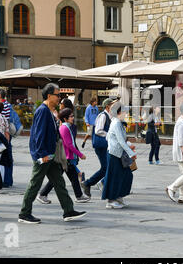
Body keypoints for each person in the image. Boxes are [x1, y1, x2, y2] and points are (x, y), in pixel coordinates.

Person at [18, 83, 86, 224]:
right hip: (44, 155)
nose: (59, 98)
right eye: (57, 95)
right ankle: (24, 213)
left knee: (59, 183)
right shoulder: (43, 111)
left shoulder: (49, 111)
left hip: (51, 155)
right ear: (49, 96)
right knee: (35, 183)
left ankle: (68, 211)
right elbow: (38, 135)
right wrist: (41, 155)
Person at [37, 108, 90, 204]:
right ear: (65, 119)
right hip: (66, 157)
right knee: (68, 177)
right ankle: (78, 196)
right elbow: (69, 144)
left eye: (73, 116)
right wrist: (80, 154)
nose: (73, 118)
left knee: (63, 177)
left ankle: (43, 194)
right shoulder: (65, 128)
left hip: (66, 157)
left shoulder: (66, 127)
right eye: (71, 116)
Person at [102, 101, 137, 209]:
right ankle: (111, 200)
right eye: (125, 112)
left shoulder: (117, 122)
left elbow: (110, 137)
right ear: (119, 112)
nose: (126, 114)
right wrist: (131, 154)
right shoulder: (116, 123)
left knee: (126, 175)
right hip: (114, 154)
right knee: (114, 177)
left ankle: (118, 196)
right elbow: (121, 141)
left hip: (118, 153)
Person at [81, 97, 116, 196]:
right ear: (108, 106)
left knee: (106, 167)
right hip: (101, 146)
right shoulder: (103, 116)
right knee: (106, 167)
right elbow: (98, 130)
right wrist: (109, 134)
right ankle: (91, 183)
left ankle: (89, 183)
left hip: (105, 145)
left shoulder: (109, 116)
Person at [0, 88, 13, 188]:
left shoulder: (0, 109)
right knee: (6, 158)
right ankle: (7, 180)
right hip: (5, 136)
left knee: (0, 160)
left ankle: (1, 180)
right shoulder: (8, 105)